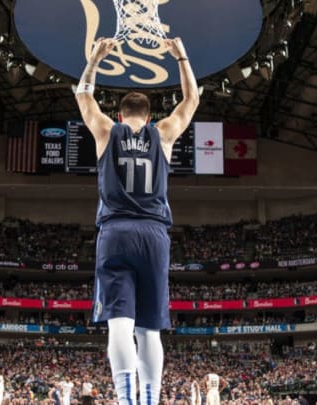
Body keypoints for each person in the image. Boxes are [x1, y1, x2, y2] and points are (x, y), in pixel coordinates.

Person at [75, 36, 199, 405]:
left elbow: (83, 96)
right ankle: (148, 401)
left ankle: (126, 400)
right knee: (149, 331)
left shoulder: (105, 132)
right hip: (153, 235)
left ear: (119, 116)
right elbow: (191, 100)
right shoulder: (162, 135)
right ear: (148, 117)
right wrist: (181, 55)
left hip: (115, 232)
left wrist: (95, 59)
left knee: (119, 326)